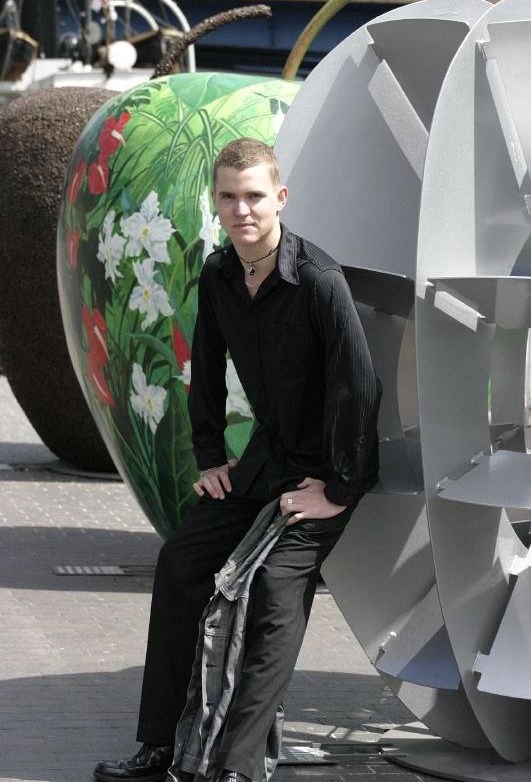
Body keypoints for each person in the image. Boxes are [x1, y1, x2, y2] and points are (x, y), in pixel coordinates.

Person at [93, 138, 381, 782]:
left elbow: (361, 389)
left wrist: (338, 490)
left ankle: (238, 767)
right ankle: (158, 747)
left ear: (280, 198)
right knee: (180, 563)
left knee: (276, 587)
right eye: (229, 197)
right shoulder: (219, 272)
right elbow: (205, 370)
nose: (242, 209)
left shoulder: (318, 281)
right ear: (216, 202)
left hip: (324, 470)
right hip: (262, 462)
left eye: (254, 196)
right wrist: (209, 458)